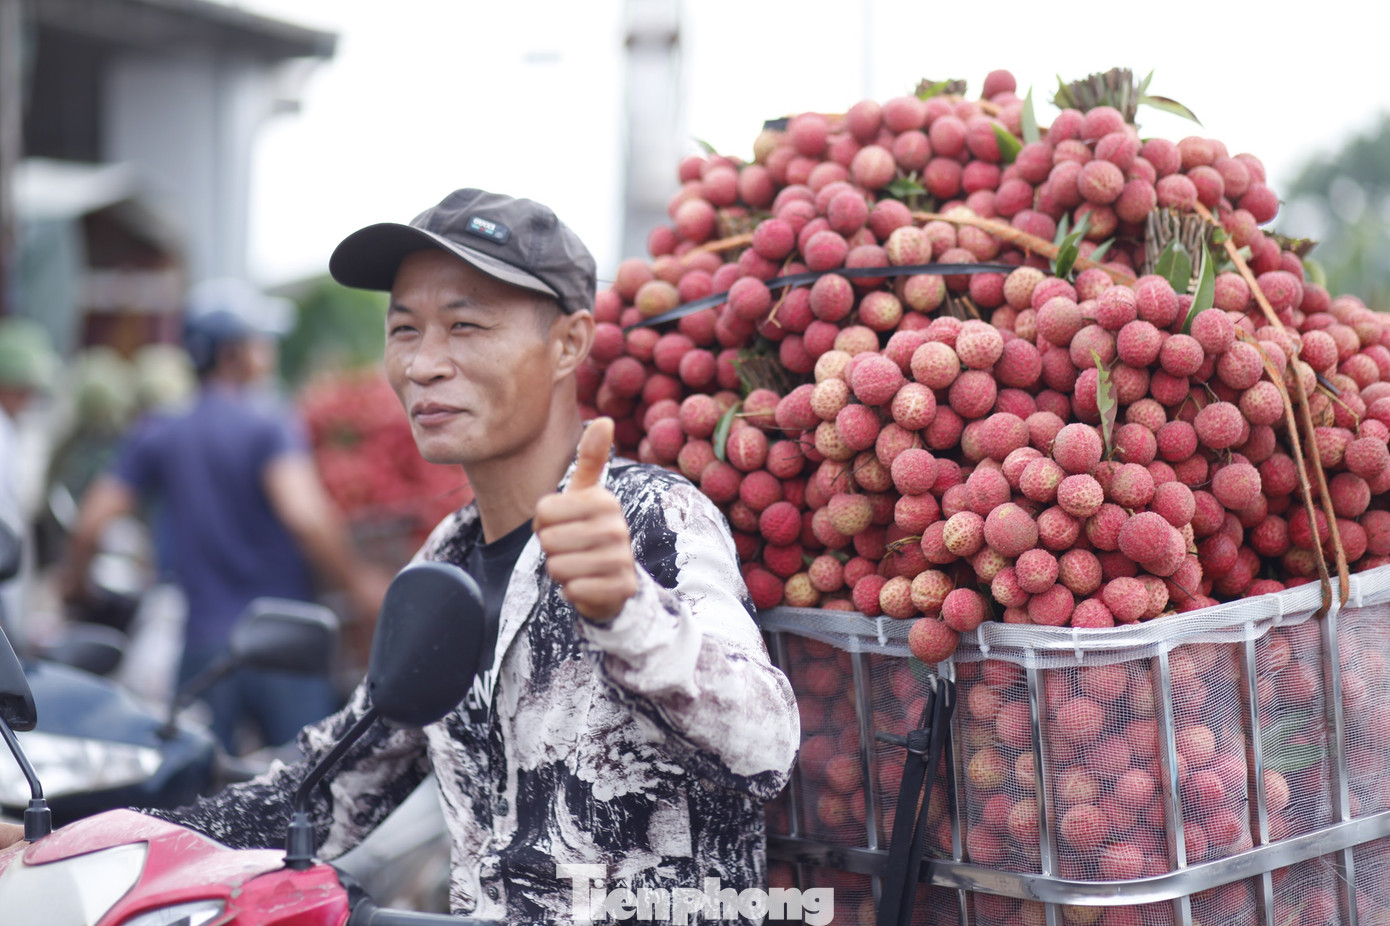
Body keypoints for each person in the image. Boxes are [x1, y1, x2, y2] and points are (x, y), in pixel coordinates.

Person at [3, 189, 802, 922]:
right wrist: (72, 849)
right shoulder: (448, 557)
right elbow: (322, 791)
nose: (422, 364)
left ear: (569, 344)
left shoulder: (650, 517)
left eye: (465, 326)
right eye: (405, 329)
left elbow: (766, 746)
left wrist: (628, 611)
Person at [54, 281, 390, 753]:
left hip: (205, 646)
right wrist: (358, 584)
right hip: (283, 644)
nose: (268, 353)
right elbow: (305, 517)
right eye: (259, 342)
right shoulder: (269, 424)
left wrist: (75, 583)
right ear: (232, 354)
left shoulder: (160, 431)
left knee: (197, 784)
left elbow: (93, 520)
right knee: (310, 781)